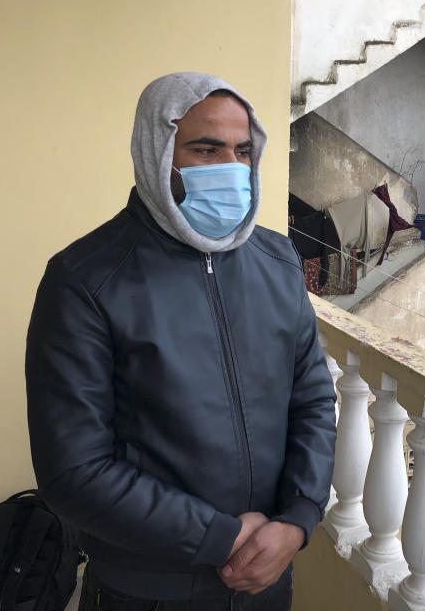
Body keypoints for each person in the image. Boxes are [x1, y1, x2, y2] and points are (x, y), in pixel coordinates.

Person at [26, 72, 337, 609]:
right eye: (205, 148)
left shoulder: (277, 261)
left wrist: (299, 518)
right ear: (156, 150)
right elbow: (73, 469)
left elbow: (312, 398)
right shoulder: (85, 279)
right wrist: (220, 537)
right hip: (147, 591)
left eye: (243, 150)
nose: (231, 168)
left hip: (269, 576)